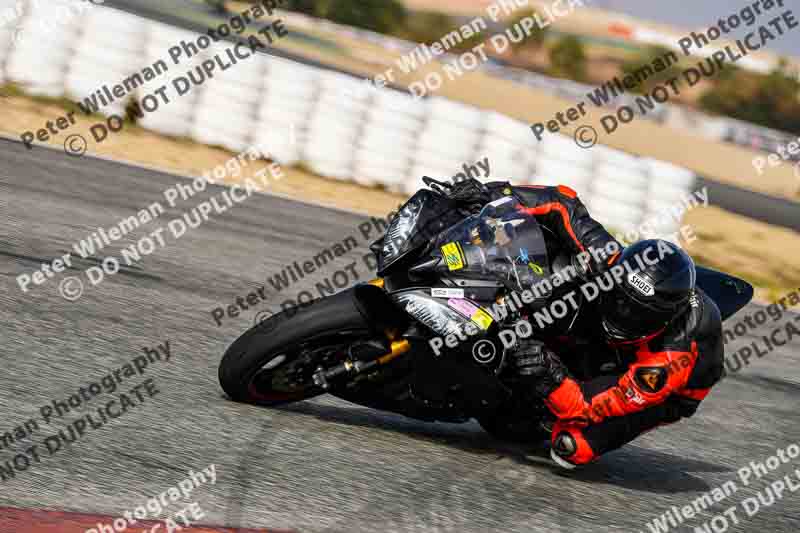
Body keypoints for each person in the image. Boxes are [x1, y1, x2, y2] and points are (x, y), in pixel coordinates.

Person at [440, 177, 725, 469]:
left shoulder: (663, 366)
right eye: (618, 299)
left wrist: (547, 373)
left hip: (671, 392)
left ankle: (539, 413)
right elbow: (563, 203)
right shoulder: (611, 259)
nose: (621, 314)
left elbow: (587, 408)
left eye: (635, 314)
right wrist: (491, 193)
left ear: (663, 320)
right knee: (558, 269)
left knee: (571, 446)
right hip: (632, 324)